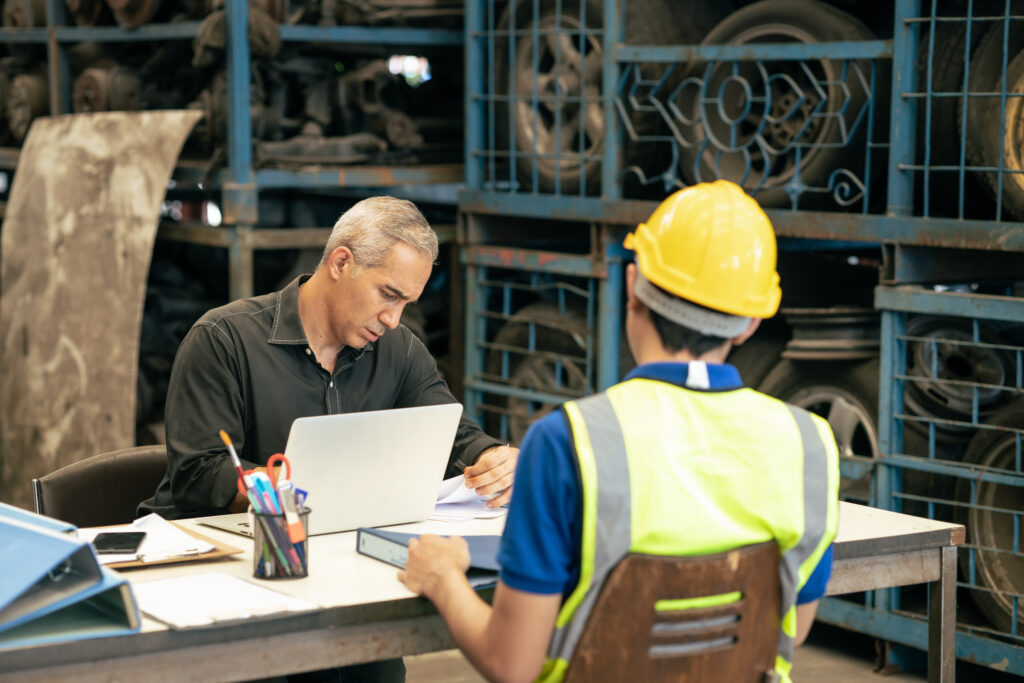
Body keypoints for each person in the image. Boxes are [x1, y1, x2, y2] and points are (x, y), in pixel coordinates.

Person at [398, 180, 840, 683]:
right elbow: (793, 627)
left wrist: (443, 578)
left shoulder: (568, 442)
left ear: (633, 287)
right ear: (750, 324)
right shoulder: (809, 443)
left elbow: (511, 664)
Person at [138, 195, 518, 683]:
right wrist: (276, 491)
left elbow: (451, 431)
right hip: (228, 576)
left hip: (340, 571)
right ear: (341, 261)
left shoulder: (399, 352)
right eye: (388, 294)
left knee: (373, 669)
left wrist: (493, 456)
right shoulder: (224, 339)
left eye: (406, 303)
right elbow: (199, 471)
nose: (394, 319)